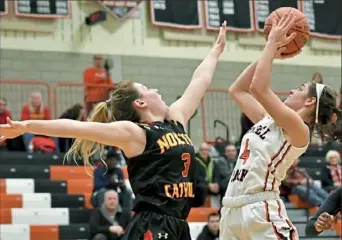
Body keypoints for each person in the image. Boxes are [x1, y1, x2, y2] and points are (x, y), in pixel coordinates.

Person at [0, 22, 227, 240]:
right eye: (147, 89)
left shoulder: (176, 119)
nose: (156, 90)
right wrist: (25, 126)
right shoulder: (135, 133)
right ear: (140, 104)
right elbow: (77, 127)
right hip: (152, 224)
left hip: (178, 223)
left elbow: (200, 80)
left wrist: (216, 51)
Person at [219, 13, 341, 240]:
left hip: (261, 210)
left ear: (309, 101)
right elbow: (237, 90)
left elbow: (259, 88)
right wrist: (270, 52)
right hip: (231, 209)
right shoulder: (268, 119)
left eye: (300, 88)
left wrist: (272, 44)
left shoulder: (299, 128)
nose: (293, 90)